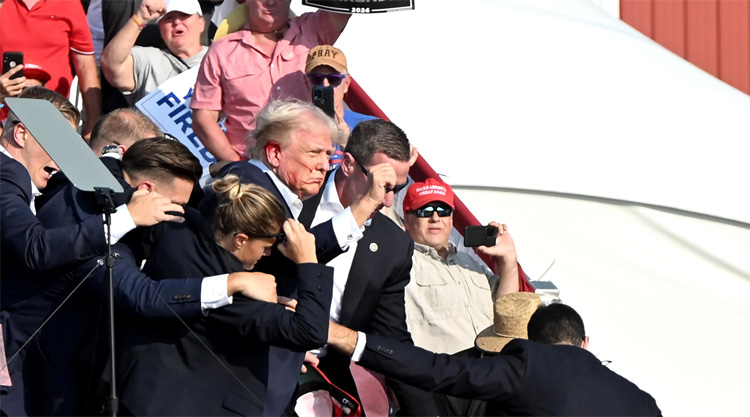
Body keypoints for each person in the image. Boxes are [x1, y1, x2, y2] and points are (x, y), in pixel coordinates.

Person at [25, 138, 276, 415]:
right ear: (146, 190)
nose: (180, 213)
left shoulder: (115, 199)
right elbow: (141, 295)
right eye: (175, 204)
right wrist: (232, 283)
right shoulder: (94, 221)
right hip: (43, 373)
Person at [207, 99, 393, 414]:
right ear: (274, 153)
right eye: (313, 153)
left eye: (328, 154)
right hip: (227, 375)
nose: (324, 165)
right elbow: (287, 254)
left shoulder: (276, 192)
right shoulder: (246, 184)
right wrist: (364, 205)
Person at [116, 175, 335, 416]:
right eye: (266, 247)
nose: (267, 255)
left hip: (142, 390)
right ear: (240, 240)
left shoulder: (181, 227)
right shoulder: (237, 297)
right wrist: (308, 261)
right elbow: (310, 332)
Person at [296, 118, 436, 415]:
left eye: (398, 188)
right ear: (348, 164)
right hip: (258, 357)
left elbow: (391, 337)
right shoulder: (294, 198)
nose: (388, 201)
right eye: (381, 185)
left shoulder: (393, 244)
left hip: (325, 379)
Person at [326, 294, 662, 416]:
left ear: (530, 342)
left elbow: (436, 369)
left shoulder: (528, 367)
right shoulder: (640, 401)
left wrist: (345, 336)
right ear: (584, 342)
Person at [191, 0, 351, 161]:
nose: (271, 2)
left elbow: (344, 6)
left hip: (312, 163)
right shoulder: (222, 51)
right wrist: (238, 165)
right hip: (250, 164)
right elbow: (203, 118)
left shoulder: (313, 28)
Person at [402, 178, 521, 355]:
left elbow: (507, 312)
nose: (435, 218)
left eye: (443, 211)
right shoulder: (400, 263)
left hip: (491, 365)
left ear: (451, 220)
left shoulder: (470, 263)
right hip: (441, 369)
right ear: (407, 220)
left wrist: (509, 260)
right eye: (425, 211)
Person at [0, 0, 101, 138]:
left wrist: (93, 121)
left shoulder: (69, 4)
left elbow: (85, 66)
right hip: (5, 118)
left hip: (54, 117)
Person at [101, 0, 208, 105]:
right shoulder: (148, 60)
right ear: (160, 29)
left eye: (184, 15)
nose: (176, 22)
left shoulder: (216, 56)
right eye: (169, 18)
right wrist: (140, 18)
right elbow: (111, 65)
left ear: (201, 23)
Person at [304, 44, 377, 169]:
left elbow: (383, 175)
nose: (325, 85)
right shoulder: (295, 127)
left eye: (334, 79)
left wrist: (348, 143)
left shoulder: (371, 127)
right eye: (316, 79)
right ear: (306, 83)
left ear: (346, 84)